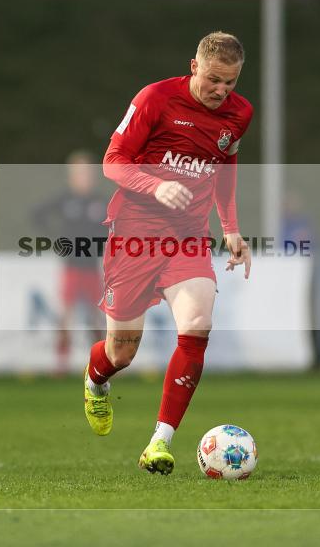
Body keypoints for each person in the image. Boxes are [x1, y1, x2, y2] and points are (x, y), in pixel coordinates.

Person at [82, 31, 253, 475]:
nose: (221, 91)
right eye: (214, 79)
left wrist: (231, 229)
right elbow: (113, 161)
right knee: (122, 353)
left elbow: (226, 166)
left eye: (230, 83)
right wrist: (156, 184)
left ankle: (159, 442)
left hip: (188, 237)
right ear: (194, 66)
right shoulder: (155, 98)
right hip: (134, 236)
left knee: (197, 324)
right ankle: (95, 381)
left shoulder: (239, 114)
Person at [31, 151, 108, 374]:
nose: (84, 177)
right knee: (66, 316)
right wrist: (56, 236)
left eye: (87, 173)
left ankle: (102, 365)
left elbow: (113, 225)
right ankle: (61, 364)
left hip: (93, 267)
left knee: (96, 319)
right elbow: (37, 214)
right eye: (79, 173)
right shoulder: (64, 199)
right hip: (71, 267)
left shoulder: (100, 201)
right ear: (71, 176)